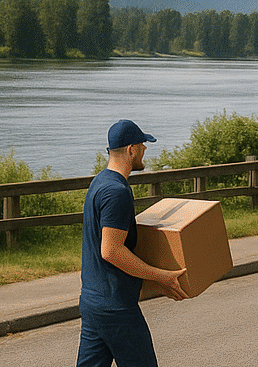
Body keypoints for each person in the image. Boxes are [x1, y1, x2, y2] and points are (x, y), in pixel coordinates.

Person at [78, 119, 189, 367]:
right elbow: (111, 251)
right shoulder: (117, 192)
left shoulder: (99, 182)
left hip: (93, 302)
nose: (145, 149)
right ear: (131, 150)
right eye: (142, 144)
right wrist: (161, 276)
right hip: (116, 308)